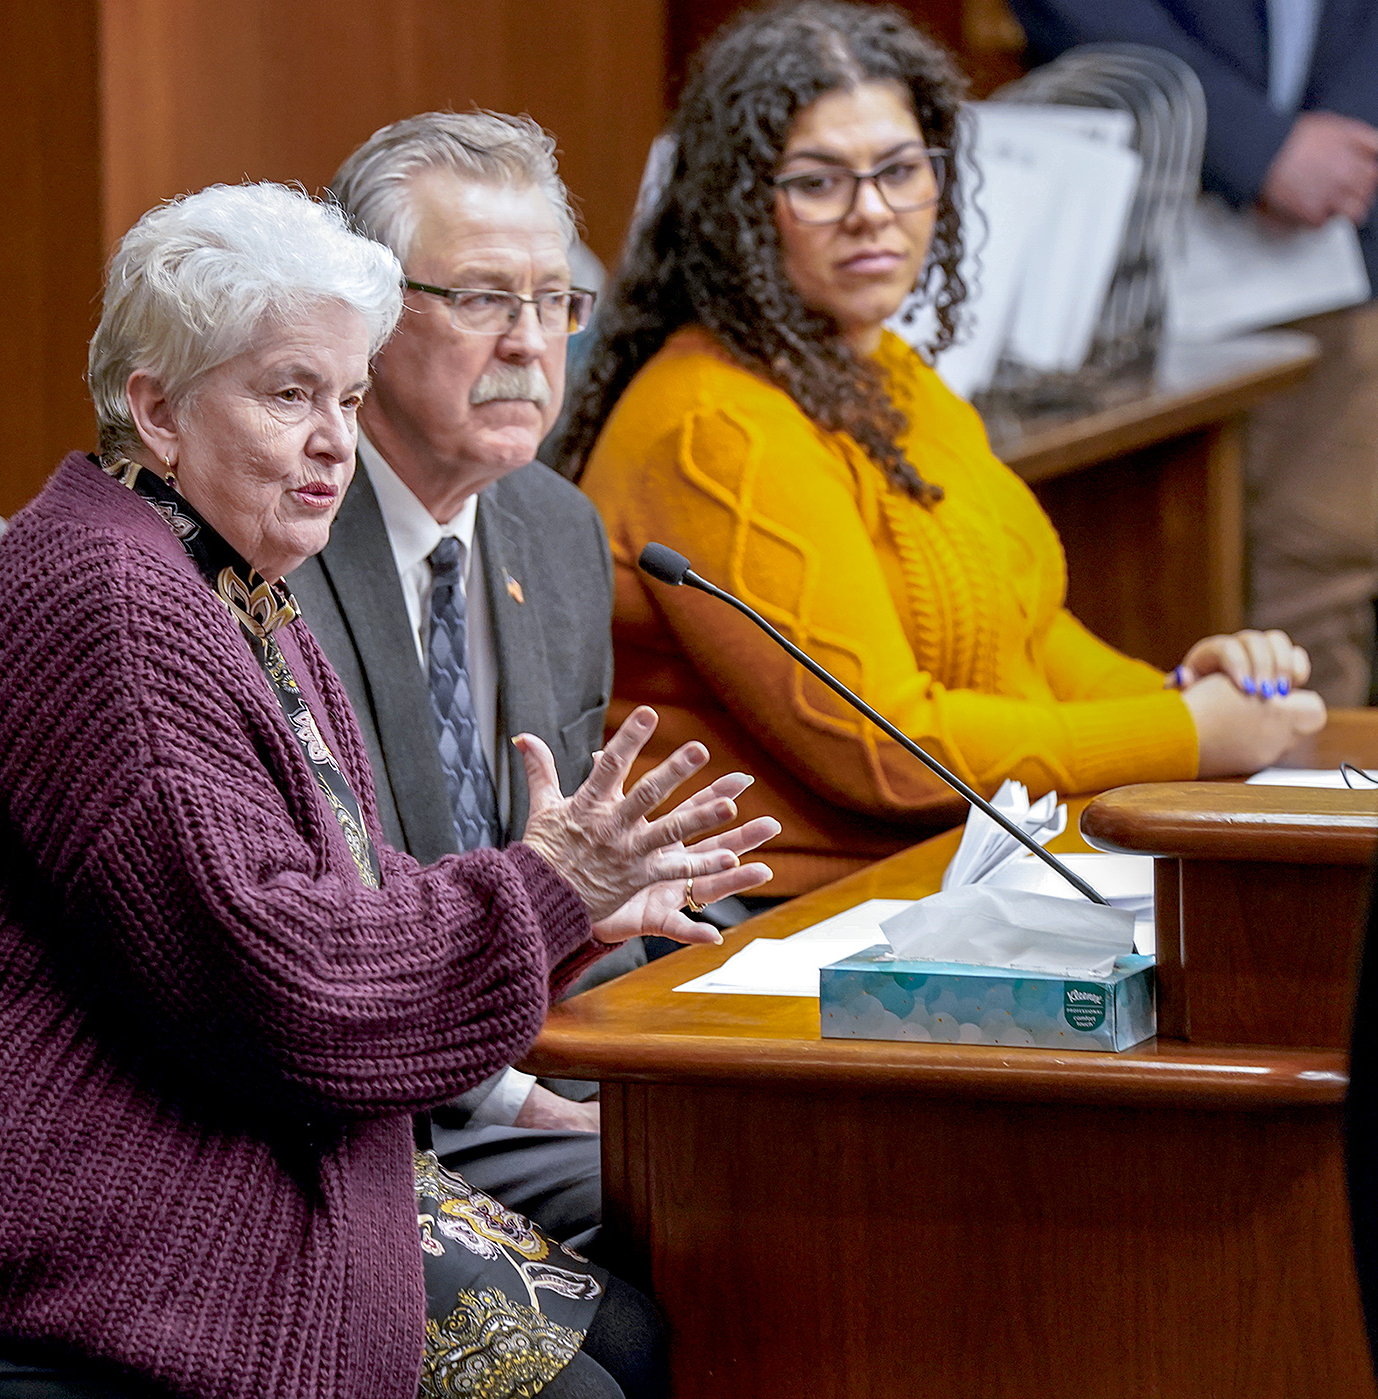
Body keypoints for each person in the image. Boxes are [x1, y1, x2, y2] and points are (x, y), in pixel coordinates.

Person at [0, 182, 778, 1399]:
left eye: (346, 396)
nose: (336, 438)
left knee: (640, 1337)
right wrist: (538, 888)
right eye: (290, 394)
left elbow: (329, 895)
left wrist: (566, 902)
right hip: (54, 1166)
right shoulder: (120, 612)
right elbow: (283, 982)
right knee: (582, 1390)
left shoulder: (219, 575)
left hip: (178, 1100)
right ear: (158, 411)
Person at [554, 0, 1326, 899]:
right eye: (818, 181)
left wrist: (1183, 686)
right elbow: (887, 749)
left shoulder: (886, 373)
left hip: (926, 871)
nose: (871, 211)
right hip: (760, 915)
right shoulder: (712, 423)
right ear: (737, 207)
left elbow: (1025, 634)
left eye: (899, 170)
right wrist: (1190, 732)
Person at [290, 111, 616, 1255]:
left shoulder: (554, 527)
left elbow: (557, 862)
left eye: (554, 299)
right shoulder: (278, 550)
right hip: (345, 1119)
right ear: (367, 322)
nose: (529, 342)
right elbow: (325, 934)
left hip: (536, 1055)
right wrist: (513, 1096)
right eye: (482, 298)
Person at [1010, 0, 1378, 706]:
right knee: (1125, 583)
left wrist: (1350, 137)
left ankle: (1308, 809)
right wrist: (1257, 148)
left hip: (1338, 218)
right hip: (1123, 218)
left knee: (1325, 571)